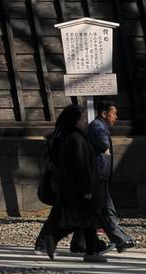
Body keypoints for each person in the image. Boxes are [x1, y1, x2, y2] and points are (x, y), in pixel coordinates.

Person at [32, 103, 106, 262]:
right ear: (76, 119)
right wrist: (87, 188)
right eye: (82, 118)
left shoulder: (65, 136)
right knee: (84, 219)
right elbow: (82, 166)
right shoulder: (76, 138)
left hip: (69, 187)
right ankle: (88, 251)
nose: (85, 121)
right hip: (80, 187)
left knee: (83, 220)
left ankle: (90, 249)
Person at [86, 100, 137, 252]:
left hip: (99, 176)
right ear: (104, 113)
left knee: (99, 210)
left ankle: (80, 244)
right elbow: (104, 146)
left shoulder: (100, 127)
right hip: (97, 177)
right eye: (113, 113)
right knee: (104, 210)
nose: (115, 117)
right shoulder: (97, 127)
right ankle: (120, 240)